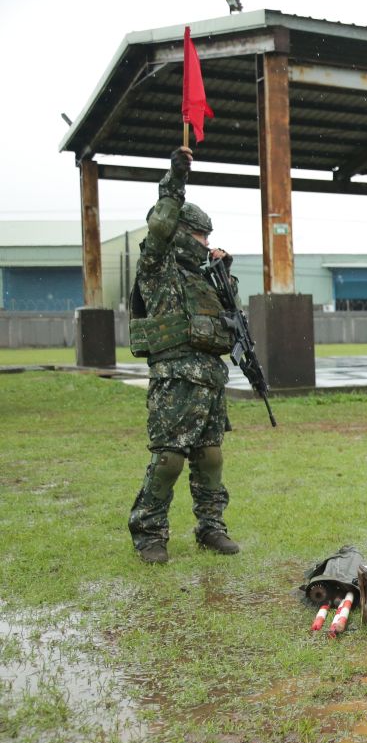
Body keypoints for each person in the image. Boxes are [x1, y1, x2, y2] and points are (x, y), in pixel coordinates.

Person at [126, 147, 241, 564]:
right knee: (170, 458)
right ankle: (149, 532)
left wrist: (226, 275)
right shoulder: (158, 268)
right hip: (174, 379)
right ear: (180, 232)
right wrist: (174, 182)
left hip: (210, 378)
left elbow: (228, 321)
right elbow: (158, 226)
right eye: (199, 236)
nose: (206, 243)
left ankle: (211, 527)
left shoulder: (207, 277)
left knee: (210, 456)